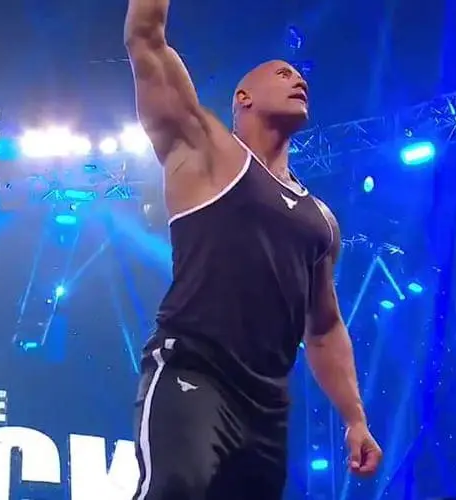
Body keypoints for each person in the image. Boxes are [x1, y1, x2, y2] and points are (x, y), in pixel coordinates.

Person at [124, 1, 382, 498]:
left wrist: (355, 419)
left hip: (265, 409)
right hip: (194, 370)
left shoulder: (321, 219)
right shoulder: (204, 150)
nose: (298, 79)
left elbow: (324, 328)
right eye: (282, 73)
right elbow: (145, 39)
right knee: (176, 487)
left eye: (300, 76)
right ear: (243, 97)